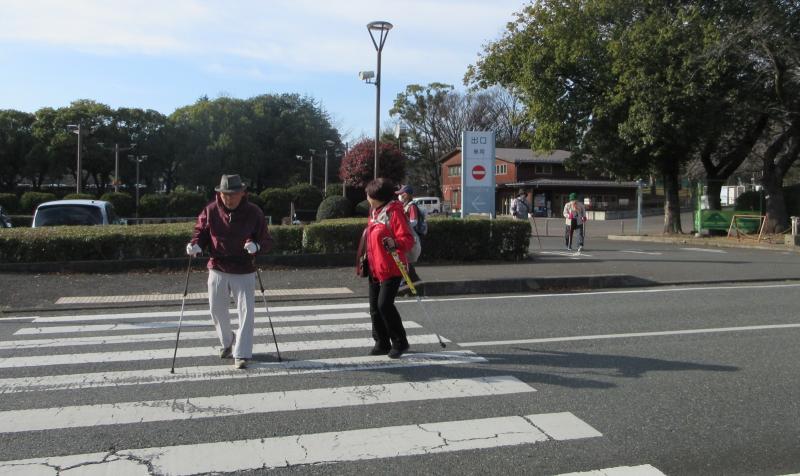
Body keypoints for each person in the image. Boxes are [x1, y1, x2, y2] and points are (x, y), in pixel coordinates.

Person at [186, 174, 272, 369]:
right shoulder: (210, 210)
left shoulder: (254, 212)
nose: (229, 198)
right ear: (220, 193)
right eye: (225, 194)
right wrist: (195, 245)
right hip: (217, 266)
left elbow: (267, 240)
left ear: (242, 193)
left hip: (244, 268)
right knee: (216, 309)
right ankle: (227, 342)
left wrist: (257, 246)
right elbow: (200, 233)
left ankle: (241, 353)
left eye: (233, 194)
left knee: (246, 312)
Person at [361, 178, 415, 359]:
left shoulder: (394, 212)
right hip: (375, 267)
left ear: (377, 196)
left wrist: (395, 242)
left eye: (369, 194)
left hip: (392, 267)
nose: (367, 196)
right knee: (374, 308)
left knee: (384, 305)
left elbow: (408, 239)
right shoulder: (374, 211)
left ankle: (400, 342)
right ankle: (381, 342)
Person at [395, 184, 422, 283]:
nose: (400, 196)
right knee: (405, 260)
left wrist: (403, 225)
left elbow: (414, 221)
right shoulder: (404, 205)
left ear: (406, 194)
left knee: (405, 259)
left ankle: (406, 281)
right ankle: (413, 280)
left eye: (401, 194)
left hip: (411, 237)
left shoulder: (411, 206)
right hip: (406, 236)